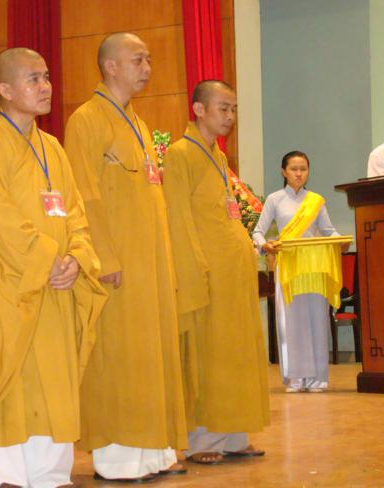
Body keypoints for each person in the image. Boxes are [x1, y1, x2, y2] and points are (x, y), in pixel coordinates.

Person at [0, 47, 107, 488]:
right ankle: (1, 476)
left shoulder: (53, 148)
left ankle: (49, 474)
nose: (45, 86)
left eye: (46, 77)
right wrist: (48, 259)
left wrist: (76, 257)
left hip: (56, 286)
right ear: (5, 89)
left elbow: (75, 213)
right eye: (33, 79)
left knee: (53, 381)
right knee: (6, 379)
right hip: (10, 286)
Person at [64, 32, 188, 483]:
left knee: (150, 355)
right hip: (114, 265)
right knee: (119, 356)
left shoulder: (137, 122)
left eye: (149, 60)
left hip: (149, 264)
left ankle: (153, 451)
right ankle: (117, 459)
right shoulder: (86, 120)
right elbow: (83, 194)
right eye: (138, 60)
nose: (148, 68)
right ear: (110, 66)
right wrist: (103, 256)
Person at [162, 80, 270, 465]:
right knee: (206, 355)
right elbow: (177, 217)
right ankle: (202, 441)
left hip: (232, 273)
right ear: (199, 109)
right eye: (223, 108)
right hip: (205, 272)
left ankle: (233, 434)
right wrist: (193, 269)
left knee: (234, 354)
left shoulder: (217, 156)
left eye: (234, 109)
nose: (230, 116)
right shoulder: (180, 154)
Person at [252, 151, 345, 393]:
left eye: (303, 169)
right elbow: (258, 231)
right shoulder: (275, 199)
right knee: (292, 322)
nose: (299, 173)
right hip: (289, 268)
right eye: (294, 169)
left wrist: (340, 241)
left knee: (316, 320)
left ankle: (317, 378)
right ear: (283, 171)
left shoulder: (316, 201)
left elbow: (328, 231)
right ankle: (296, 378)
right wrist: (265, 245)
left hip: (313, 267)